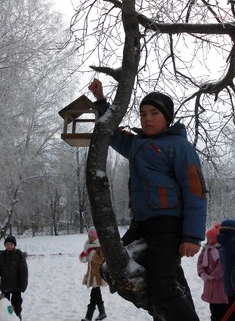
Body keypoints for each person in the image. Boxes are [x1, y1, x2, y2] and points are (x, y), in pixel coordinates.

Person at [88, 78, 207, 321]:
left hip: (167, 225)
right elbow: (113, 134)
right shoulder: (137, 144)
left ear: (167, 118)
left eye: (154, 113)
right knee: (113, 266)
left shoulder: (178, 146)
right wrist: (101, 101)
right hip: (141, 224)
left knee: (162, 288)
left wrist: (192, 236)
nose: (147, 118)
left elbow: (195, 190)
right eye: (143, 113)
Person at [197, 223, 228, 321]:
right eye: (207, 238)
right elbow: (200, 262)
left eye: (209, 238)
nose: (208, 240)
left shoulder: (220, 250)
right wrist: (202, 272)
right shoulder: (205, 249)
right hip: (209, 283)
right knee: (213, 307)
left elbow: (222, 264)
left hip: (220, 283)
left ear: (215, 238)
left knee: (222, 308)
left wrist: (214, 275)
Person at [0, 235, 28, 320]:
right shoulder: (1, 257)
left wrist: (23, 285)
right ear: (5, 245)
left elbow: (24, 273)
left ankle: (17, 317)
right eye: (7, 244)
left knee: (17, 305)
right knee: (5, 306)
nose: (9, 246)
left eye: (11, 244)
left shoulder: (19, 256)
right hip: (5, 286)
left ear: (14, 245)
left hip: (17, 287)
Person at [79, 227, 107, 321]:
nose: (90, 238)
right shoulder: (88, 245)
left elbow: (102, 260)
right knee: (97, 294)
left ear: (96, 236)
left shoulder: (100, 246)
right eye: (89, 236)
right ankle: (102, 313)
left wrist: (92, 255)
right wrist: (83, 256)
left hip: (98, 274)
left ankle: (88, 317)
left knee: (93, 296)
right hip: (92, 273)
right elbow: (86, 259)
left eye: (92, 236)